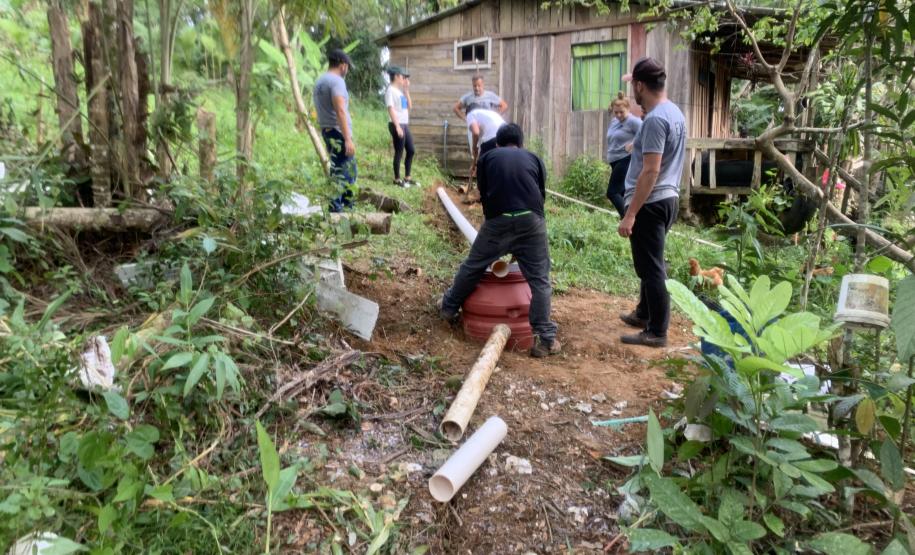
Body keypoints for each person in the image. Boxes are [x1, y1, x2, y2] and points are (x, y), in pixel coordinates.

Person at [439, 124, 560, 358]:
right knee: (540, 279)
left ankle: (448, 308)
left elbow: (485, 193)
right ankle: (545, 340)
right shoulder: (533, 158)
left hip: (498, 221)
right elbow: (540, 195)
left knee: (473, 266)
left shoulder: (488, 157)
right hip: (531, 221)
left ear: (497, 143)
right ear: (521, 144)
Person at [617, 57, 687, 348]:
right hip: (667, 198)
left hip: (651, 201)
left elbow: (652, 169)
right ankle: (644, 313)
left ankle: (657, 331)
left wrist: (631, 213)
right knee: (648, 263)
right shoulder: (673, 112)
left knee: (653, 267)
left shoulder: (657, 118)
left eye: (634, 84)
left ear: (641, 85)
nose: (632, 90)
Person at [314, 49, 357, 212]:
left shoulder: (320, 81)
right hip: (339, 132)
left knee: (338, 168)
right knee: (346, 171)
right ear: (342, 65)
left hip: (327, 131)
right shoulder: (337, 81)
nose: (347, 70)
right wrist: (347, 139)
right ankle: (339, 210)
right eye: (347, 67)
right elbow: (340, 110)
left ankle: (344, 207)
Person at [605, 92, 642, 217]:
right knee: (623, 192)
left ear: (628, 109)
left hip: (626, 159)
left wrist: (634, 143)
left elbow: (647, 132)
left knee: (613, 192)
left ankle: (628, 219)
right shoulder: (614, 121)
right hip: (615, 160)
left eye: (622, 112)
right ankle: (636, 217)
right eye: (616, 112)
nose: (619, 115)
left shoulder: (633, 121)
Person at [454, 75, 508, 154]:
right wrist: (465, 118)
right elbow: (456, 108)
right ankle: (475, 163)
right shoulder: (468, 97)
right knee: (474, 147)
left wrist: (495, 115)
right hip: (474, 126)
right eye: (474, 86)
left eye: (479, 85)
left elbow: (504, 105)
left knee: (487, 148)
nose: (477, 88)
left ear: (483, 85)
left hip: (486, 128)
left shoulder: (490, 95)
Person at [384, 66, 416, 187]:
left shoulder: (399, 92)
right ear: (396, 76)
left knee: (411, 150)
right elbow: (390, 109)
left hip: (404, 124)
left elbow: (409, 107)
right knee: (399, 151)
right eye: (403, 76)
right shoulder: (390, 90)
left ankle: (407, 178)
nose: (404, 79)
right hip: (396, 124)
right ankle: (397, 179)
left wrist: (406, 90)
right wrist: (397, 126)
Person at [466, 108, 506, 173]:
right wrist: (474, 165)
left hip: (494, 137)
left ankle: (483, 182)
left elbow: (476, 133)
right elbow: (478, 150)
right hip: (506, 133)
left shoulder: (470, 114)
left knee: (482, 166)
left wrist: (474, 147)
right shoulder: (487, 114)